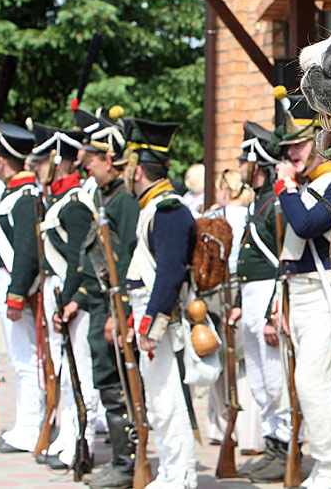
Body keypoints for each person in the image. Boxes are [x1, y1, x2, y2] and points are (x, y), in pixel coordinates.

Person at [272, 95, 331, 489]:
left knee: (312, 383)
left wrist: (285, 190)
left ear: (321, 140)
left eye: (301, 144)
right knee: (314, 384)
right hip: (300, 296)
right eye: (290, 147)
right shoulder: (312, 183)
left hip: (324, 297)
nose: (293, 153)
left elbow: (306, 225)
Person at [123, 117, 199, 489]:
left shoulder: (168, 209)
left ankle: (180, 473)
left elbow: (170, 274)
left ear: (137, 170)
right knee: (158, 399)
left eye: (126, 167)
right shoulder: (156, 206)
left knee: (166, 399)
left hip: (161, 320)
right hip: (151, 315)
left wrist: (151, 324)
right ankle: (172, 471)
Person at [75, 107, 142, 489]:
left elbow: (130, 260)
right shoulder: (105, 198)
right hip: (102, 303)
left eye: (93, 159)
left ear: (110, 160)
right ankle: (120, 459)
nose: (88, 167)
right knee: (106, 379)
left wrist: (122, 313)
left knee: (118, 384)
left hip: (116, 306)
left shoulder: (123, 204)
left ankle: (126, 462)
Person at [28, 122, 98, 471]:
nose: (35, 167)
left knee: (80, 371)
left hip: (71, 297)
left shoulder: (74, 202)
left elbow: (78, 258)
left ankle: (79, 440)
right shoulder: (57, 198)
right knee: (63, 370)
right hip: (56, 291)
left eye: (42, 161)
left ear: (59, 161)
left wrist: (68, 300)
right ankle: (67, 435)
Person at [227, 121, 293, 482]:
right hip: (251, 297)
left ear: (256, 162)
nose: (238, 167)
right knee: (257, 377)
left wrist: (272, 312)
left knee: (273, 376)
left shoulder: (274, 206)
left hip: (267, 297)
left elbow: (281, 262)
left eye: (243, 160)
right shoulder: (260, 204)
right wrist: (238, 300)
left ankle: (285, 447)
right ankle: (271, 441)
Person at [0, 122, 44, 454]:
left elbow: (26, 251)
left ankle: (31, 427)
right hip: (5, 284)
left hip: (16, 287)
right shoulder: (14, 194)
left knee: (26, 359)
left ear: (2, 160)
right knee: (21, 358)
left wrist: (16, 294)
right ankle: (27, 423)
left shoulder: (24, 195)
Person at [203, 167, 263, 454]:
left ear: (225, 190)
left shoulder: (214, 218)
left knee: (225, 361)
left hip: (220, 290)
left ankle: (220, 427)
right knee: (241, 365)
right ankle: (248, 434)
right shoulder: (251, 216)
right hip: (239, 288)